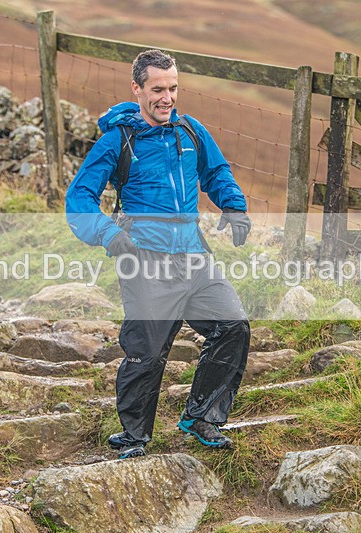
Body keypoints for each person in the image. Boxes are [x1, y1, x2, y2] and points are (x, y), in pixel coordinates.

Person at [65, 49, 251, 459]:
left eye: (173, 88)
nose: (167, 98)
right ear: (137, 89)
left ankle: (201, 417)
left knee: (233, 326)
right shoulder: (118, 140)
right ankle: (134, 436)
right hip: (143, 256)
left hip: (193, 254)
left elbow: (216, 172)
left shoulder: (190, 131)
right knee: (146, 351)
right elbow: (78, 197)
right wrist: (107, 233)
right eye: (157, 90)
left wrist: (233, 206)